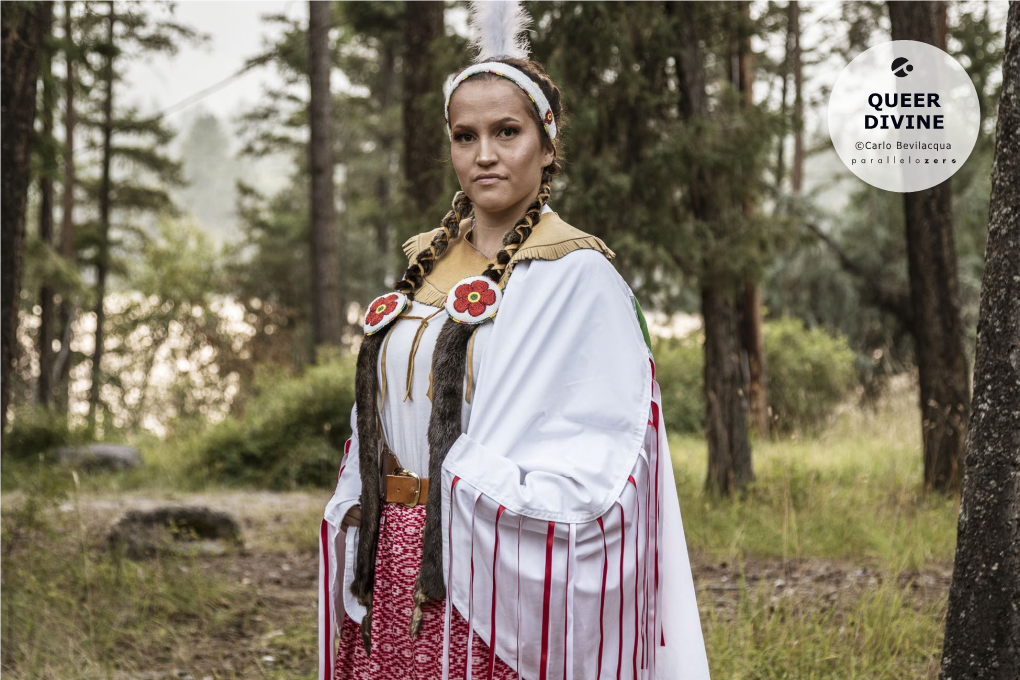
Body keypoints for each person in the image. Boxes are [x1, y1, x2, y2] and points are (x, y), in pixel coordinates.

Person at [318, 3, 711, 679]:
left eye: (507, 131)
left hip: (488, 559)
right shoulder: (422, 268)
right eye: (465, 136)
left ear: (548, 143)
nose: (486, 155)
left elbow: (610, 450)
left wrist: (478, 489)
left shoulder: (579, 277)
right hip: (391, 552)